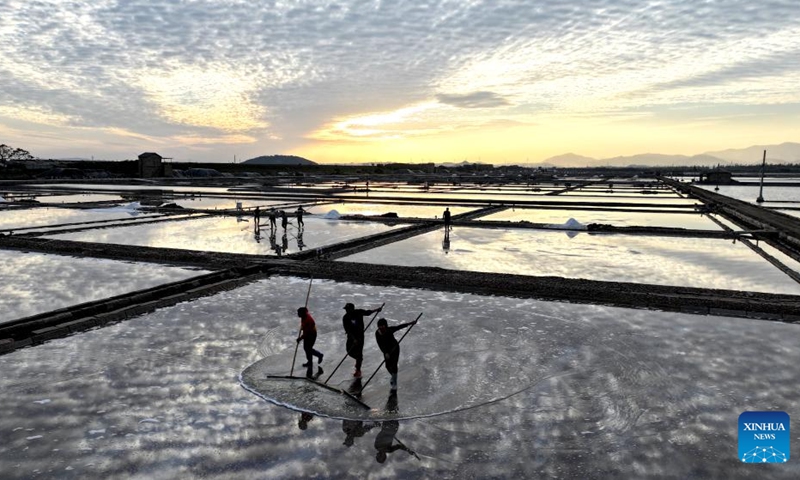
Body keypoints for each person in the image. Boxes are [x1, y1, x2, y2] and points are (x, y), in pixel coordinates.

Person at [375, 317, 417, 391]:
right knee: (388, 366)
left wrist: (411, 323)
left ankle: (394, 383)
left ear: (386, 325)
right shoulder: (377, 333)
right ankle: (393, 377)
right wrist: (385, 353)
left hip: (395, 348)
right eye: (380, 326)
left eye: (383, 326)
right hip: (386, 351)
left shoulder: (389, 330)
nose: (381, 327)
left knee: (394, 365)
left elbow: (399, 327)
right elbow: (380, 344)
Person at [342, 303, 383, 377]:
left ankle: (358, 369)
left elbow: (368, 312)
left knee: (359, 353)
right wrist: (353, 339)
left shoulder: (358, 312)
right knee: (349, 351)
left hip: (360, 336)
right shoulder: (345, 318)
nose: (346, 311)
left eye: (348, 309)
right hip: (351, 337)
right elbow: (348, 330)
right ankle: (358, 359)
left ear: (352, 309)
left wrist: (377, 310)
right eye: (346, 309)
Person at [296, 307, 323, 377]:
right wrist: (302, 327)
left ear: (303, 313)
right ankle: (310, 361)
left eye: (299, 313)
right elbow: (304, 326)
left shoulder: (309, 320)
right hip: (308, 333)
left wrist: (300, 338)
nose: (298, 314)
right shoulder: (303, 317)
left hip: (311, 334)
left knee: (308, 348)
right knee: (306, 348)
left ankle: (319, 355)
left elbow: (306, 333)